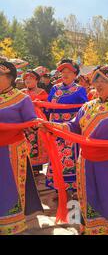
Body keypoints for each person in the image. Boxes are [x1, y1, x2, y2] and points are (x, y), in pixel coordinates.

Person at [44, 66, 108, 235]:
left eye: (103, 81)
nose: (98, 85)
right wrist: (54, 126)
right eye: (96, 81)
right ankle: (93, 228)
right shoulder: (87, 107)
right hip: (87, 162)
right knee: (90, 196)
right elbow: (74, 126)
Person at [0, 61, 43, 235]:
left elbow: (30, 121)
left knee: (9, 187)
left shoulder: (21, 98)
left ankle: (11, 225)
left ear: (9, 78)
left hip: (11, 151)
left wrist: (35, 124)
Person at [46, 59, 88, 196]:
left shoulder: (79, 89)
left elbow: (85, 108)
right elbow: (48, 106)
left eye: (68, 72)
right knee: (57, 156)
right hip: (56, 128)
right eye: (63, 72)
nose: (65, 74)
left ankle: (76, 188)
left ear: (75, 74)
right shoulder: (54, 89)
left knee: (73, 157)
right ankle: (60, 188)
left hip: (72, 128)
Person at [22, 70, 49, 174]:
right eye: (26, 79)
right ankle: (26, 166)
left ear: (36, 80)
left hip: (37, 120)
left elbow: (46, 107)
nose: (27, 80)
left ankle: (37, 169)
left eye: (30, 78)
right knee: (25, 142)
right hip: (24, 121)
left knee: (36, 143)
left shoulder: (42, 92)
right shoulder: (22, 93)